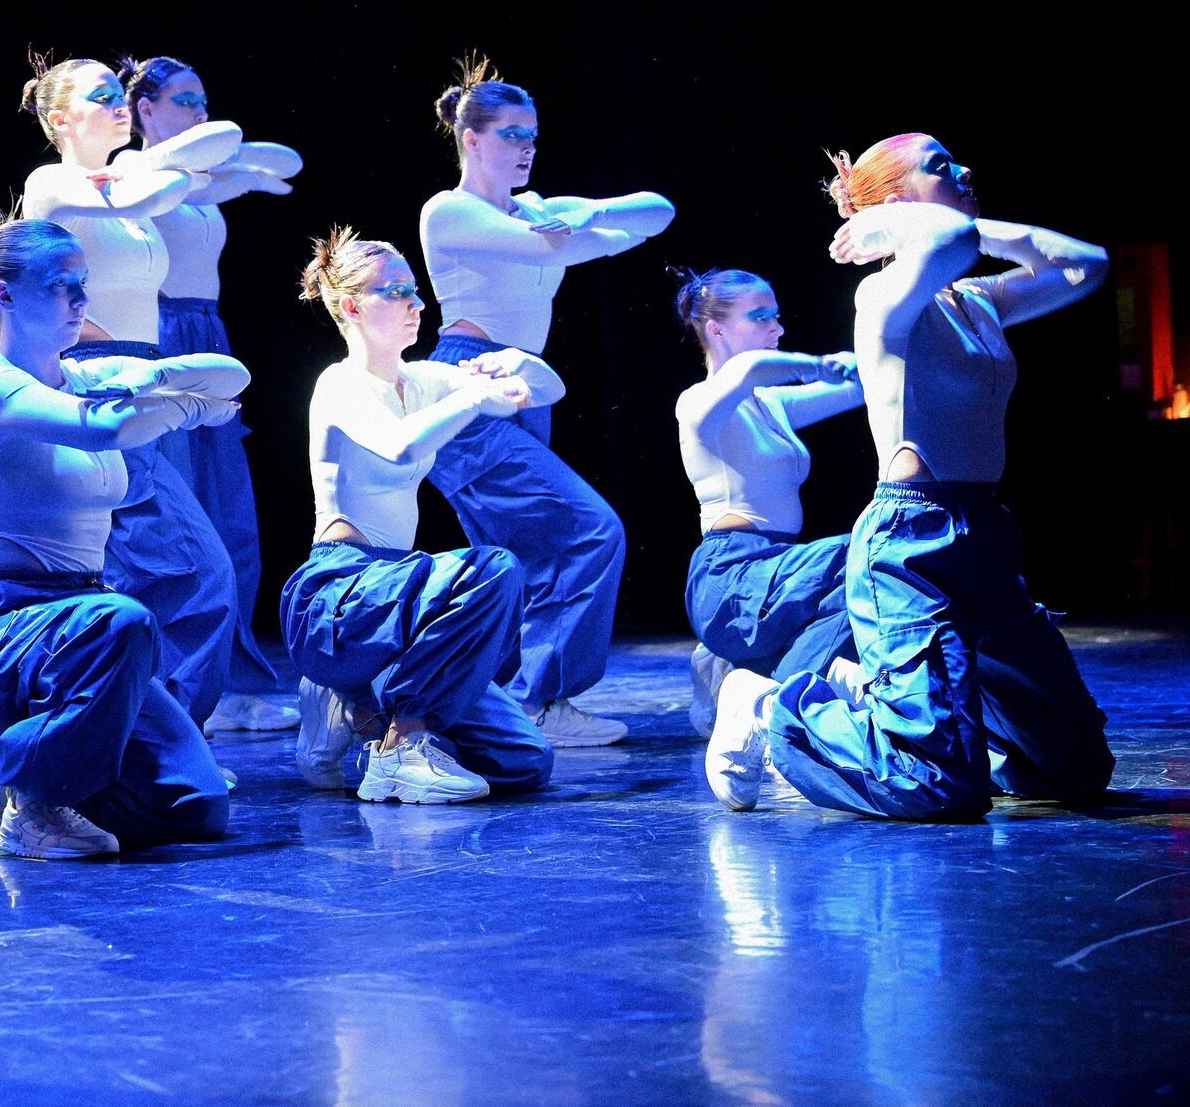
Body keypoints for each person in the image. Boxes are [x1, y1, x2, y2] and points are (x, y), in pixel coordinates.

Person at [705, 134, 1116, 818]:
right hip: (911, 541)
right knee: (936, 787)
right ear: (898, 200)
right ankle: (772, 706)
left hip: (985, 538)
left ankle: (913, 716)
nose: (965, 169)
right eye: (940, 166)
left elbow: (1087, 264)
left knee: (1075, 769)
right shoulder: (884, 294)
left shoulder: (977, 298)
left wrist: (921, 219)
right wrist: (900, 224)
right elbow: (951, 238)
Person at [0, 214, 235, 857]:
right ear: (4, 294)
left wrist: (155, 379)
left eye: (82, 283)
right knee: (125, 620)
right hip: (2, 623)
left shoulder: (85, 379)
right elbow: (104, 429)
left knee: (195, 803)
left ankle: (47, 773)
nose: (80, 299)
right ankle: (31, 799)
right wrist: (184, 406)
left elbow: (229, 374)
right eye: (59, 285)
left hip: (82, 621)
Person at [418, 58, 675, 746]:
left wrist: (586, 214)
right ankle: (538, 701)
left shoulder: (538, 209)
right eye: (511, 134)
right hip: (469, 385)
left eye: (532, 135)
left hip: (526, 386)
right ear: (471, 139)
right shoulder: (449, 210)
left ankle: (496, 705)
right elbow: (545, 252)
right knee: (589, 530)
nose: (526, 147)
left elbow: (657, 213)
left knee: (519, 555)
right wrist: (573, 231)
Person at [18, 54, 258, 725]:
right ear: (60, 119)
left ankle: (157, 728)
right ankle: (135, 727)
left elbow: (225, 139)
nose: (117, 104)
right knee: (166, 566)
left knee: (183, 566)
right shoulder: (51, 183)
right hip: (94, 383)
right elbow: (144, 196)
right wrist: (150, 173)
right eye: (100, 97)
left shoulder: (126, 180)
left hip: (144, 377)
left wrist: (144, 167)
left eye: (117, 94)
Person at [283, 227, 555, 803]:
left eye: (414, 289)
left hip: (397, 602)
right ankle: (399, 745)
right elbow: (399, 446)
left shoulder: (424, 380)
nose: (417, 303)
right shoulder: (340, 383)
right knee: (491, 570)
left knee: (524, 761)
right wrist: (473, 397)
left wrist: (517, 361)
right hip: (338, 596)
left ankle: (360, 707)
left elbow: (548, 389)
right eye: (397, 292)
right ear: (352, 307)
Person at [120, 54, 303, 734]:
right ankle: (176, 678)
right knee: (180, 517)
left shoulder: (196, 179)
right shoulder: (132, 172)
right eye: (185, 101)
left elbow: (282, 163)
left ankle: (231, 682)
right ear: (145, 109)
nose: (200, 112)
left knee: (233, 517)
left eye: (203, 100)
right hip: (163, 332)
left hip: (208, 329)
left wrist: (231, 164)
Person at [673, 267, 863, 736]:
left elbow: (859, 388)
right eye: (760, 317)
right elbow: (747, 370)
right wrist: (819, 365)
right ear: (715, 329)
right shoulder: (697, 402)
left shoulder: (771, 403)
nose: (777, 328)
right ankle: (769, 702)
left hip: (778, 577)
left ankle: (751, 681)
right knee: (861, 551)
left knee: (867, 590)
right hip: (732, 577)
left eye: (776, 316)